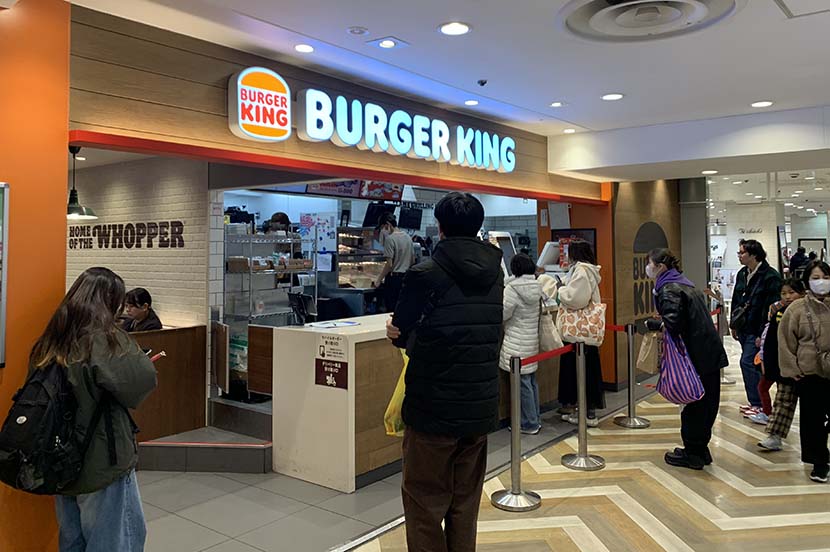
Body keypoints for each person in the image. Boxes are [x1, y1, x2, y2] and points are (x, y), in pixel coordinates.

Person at [386, 192, 503, 551]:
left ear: (439, 227)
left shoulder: (424, 274)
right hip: (479, 407)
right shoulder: (495, 273)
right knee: (465, 502)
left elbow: (402, 333)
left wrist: (397, 333)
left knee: (424, 503)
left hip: (432, 409)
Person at [29, 267, 157, 550]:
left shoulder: (52, 337)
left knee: (72, 538)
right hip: (100, 459)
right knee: (114, 540)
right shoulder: (103, 339)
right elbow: (142, 381)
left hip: (58, 457)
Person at [646, 249, 728, 469]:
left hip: (695, 355)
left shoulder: (668, 288)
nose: (648, 268)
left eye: (650, 264)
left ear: (660, 266)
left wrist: (654, 324)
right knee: (707, 402)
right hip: (708, 352)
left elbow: (673, 323)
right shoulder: (685, 283)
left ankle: (693, 453)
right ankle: (700, 449)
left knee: (694, 403)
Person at [778, 260, 830, 483]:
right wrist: (792, 368)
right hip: (809, 372)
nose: (822, 282)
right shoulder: (797, 308)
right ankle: (819, 462)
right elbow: (785, 341)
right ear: (807, 281)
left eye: (826, 277)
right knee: (813, 420)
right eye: (816, 278)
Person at [554, 240, 604, 427]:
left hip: (578, 333)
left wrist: (561, 290)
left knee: (582, 372)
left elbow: (576, 299)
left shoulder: (582, 271)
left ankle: (587, 413)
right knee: (584, 371)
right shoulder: (585, 270)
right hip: (583, 333)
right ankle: (582, 410)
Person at [731, 239, 782, 415]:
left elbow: (771, 307)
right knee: (752, 364)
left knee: (747, 362)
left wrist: (763, 333)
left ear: (753, 255)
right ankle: (756, 402)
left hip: (758, 329)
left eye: (742, 252)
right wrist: (733, 324)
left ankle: (759, 403)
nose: (739, 256)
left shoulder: (770, 276)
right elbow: (736, 300)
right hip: (743, 327)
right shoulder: (742, 274)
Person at [756, 278, 805, 449]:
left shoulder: (812, 311)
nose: (788, 297)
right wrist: (768, 364)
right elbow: (770, 342)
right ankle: (774, 435)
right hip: (787, 366)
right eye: (784, 293)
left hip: (811, 366)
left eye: (792, 292)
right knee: (783, 400)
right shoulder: (779, 314)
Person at [500, 253, 543, 435]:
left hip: (516, 340)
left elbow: (504, 314)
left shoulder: (512, 289)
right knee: (531, 381)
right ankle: (535, 418)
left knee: (522, 383)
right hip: (531, 340)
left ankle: (529, 423)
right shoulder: (536, 286)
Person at [374, 212, 414, 312]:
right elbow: (412, 260)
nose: (383, 231)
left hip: (394, 280)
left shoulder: (390, 239)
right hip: (406, 279)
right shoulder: (408, 237)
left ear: (388, 224)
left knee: (391, 310)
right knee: (401, 310)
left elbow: (389, 264)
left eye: (383, 228)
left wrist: (379, 280)